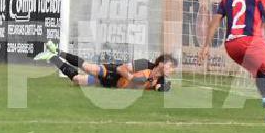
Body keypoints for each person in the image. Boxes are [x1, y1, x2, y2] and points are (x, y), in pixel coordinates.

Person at [35, 41, 175, 91]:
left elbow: (159, 88)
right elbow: (121, 69)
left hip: (112, 85)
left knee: (77, 80)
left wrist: (164, 88)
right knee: (88, 68)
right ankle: (57, 51)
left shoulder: (160, 79)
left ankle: (52, 58)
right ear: (161, 64)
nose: (172, 70)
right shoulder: (144, 64)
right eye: (170, 66)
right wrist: (132, 78)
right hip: (113, 72)